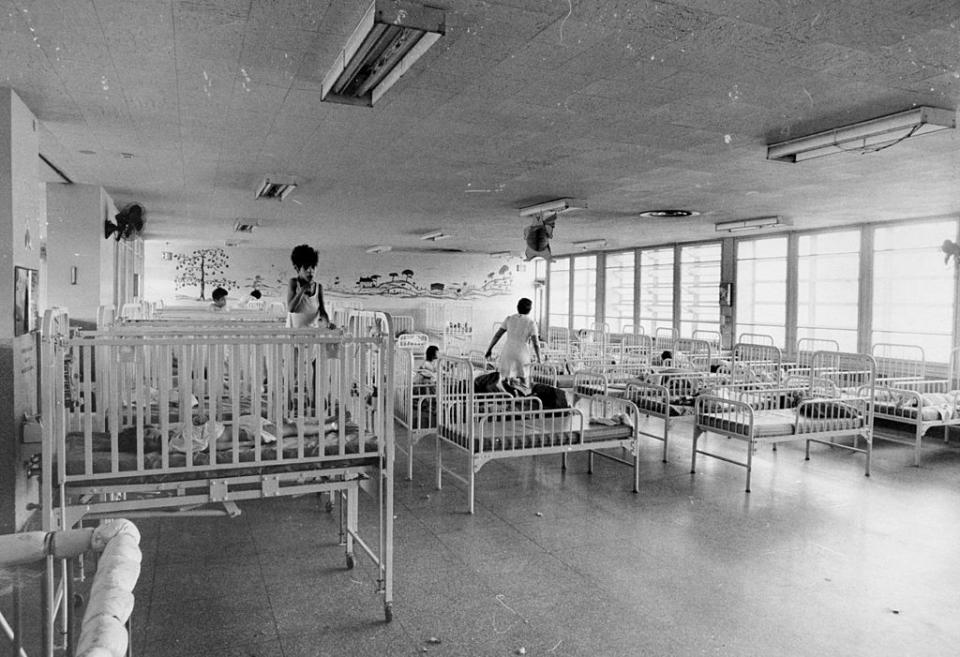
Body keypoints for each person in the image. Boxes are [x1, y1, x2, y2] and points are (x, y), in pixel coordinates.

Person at [485, 297, 541, 385]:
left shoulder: (509, 319)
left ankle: (507, 397)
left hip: (507, 352)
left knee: (505, 380)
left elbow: (497, 335)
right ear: (530, 310)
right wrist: (539, 359)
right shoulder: (531, 323)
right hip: (522, 354)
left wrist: (489, 349)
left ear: (517, 307)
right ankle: (522, 396)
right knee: (523, 380)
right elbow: (536, 344)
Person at [286, 244, 332, 328]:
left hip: (311, 334)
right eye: (306, 267)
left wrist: (327, 323)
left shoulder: (318, 287)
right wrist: (302, 290)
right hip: (293, 334)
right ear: (297, 268)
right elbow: (291, 309)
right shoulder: (294, 283)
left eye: (313, 267)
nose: (310, 271)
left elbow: (322, 310)